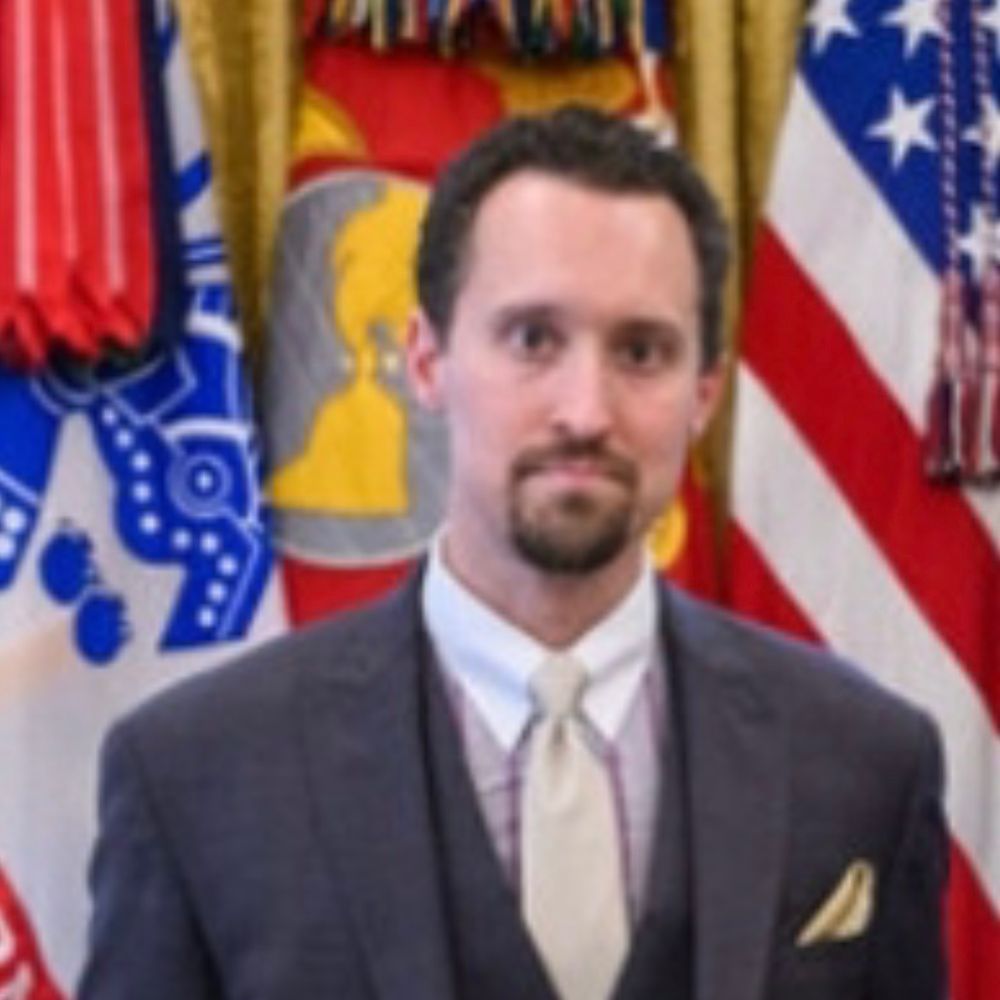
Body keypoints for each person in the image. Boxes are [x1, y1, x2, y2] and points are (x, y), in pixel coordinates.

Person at [79, 106, 948, 1000]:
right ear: (426, 360)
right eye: (533, 339)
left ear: (704, 394)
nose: (585, 410)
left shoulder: (868, 762)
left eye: (641, 351)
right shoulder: (192, 773)